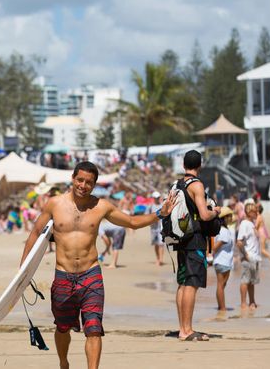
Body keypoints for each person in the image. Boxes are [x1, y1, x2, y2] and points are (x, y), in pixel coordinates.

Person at [19, 161, 176, 369]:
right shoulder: (54, 204)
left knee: (93, 328)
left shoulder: (101, 206)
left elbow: (131, 222)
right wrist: (23, 269)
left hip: (91, 276)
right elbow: (35, 234)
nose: (83, 185)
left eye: (89, 182)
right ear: (73, 179)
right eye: (80, 180)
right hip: (63, 276)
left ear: (94, 185)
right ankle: (63, 362)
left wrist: (160, 213)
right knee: (63, 327)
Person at [174, 150, 222, 341]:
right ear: (200, 165)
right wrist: (216, 212)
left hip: (181, 237)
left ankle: (182, 328)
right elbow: (203, 215)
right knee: (191, 285)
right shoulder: (197, 185)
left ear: (184, 165)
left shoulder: (178, 184)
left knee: (182, 283)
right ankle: (187, 330)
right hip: (194, 240)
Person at [237, 202, 262, 311]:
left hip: (255, 257)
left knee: (252, 281)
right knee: (245, 280)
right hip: (249, 256)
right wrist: (245, 254)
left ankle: (252, 301)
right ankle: (243, 303)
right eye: (255, 211)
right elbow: (239, 241)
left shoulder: (252, 224)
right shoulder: (245, 224)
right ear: (249, 212)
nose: (257, 213)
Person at [212, 207, 235, 313]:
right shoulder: (224, 231)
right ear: (224, 218)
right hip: (222, 261)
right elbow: (215, 247)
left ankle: (221, 306)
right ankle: (222, 307)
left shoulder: (223, 230)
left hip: (224, 261)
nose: (231, 218)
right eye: (229, 216)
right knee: (221, 285)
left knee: (222, 285)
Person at [147, 191, 165, 266]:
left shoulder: (162, 206)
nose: (157, 199)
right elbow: (147, 216)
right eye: (156, 198)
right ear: (153, 198)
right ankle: (157, 258)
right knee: (156, 244)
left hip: (161, 228)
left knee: (161, 244)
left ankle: (160, 260)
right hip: (153, 228)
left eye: (158, 197)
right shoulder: (150, 206)